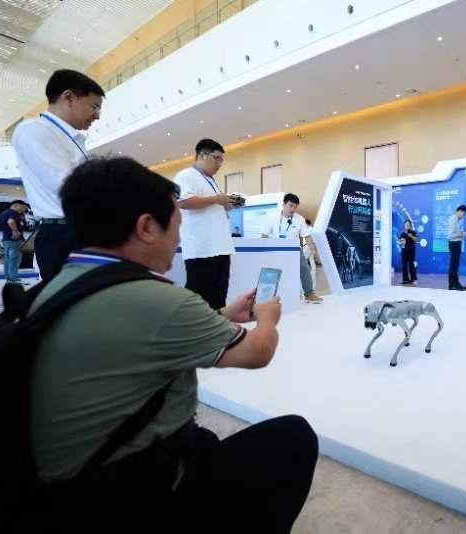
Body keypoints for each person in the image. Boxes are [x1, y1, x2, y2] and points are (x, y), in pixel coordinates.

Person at [30, 157, 318, 528]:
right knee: (293, 439)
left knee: (205, 437)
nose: (179, 239)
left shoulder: (57, 286)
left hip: (57, 483)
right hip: (118, 491)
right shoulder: (156, 299)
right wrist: (267, 318)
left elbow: (144, 337)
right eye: (178, 225)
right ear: (147, 227)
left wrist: (222, 314)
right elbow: (257, 351)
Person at [11, 69, 104, 281]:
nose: (97, 115)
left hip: (80, 231)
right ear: (68, 98)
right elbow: (66, 185)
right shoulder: (34, 129)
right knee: (72, 299)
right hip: (64, 235)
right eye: (94, 106)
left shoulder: (68, 137)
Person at [175, 139, 235, 309]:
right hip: (201, 250)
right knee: (199, 300)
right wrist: (216, 199)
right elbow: (183, 201)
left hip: (221, 247)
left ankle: (218, 325)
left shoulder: (212, 180)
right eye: (217, 158)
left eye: (222, 160)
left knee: (219, 297)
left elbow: (213, 205)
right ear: (203, 155)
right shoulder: (186, 175)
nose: (220, 164)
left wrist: (227, 204)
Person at [261, 193, 323, 303]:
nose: (293, 209)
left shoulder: (299, 219)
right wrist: (263, 250)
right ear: (284, 204)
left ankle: (309, 293)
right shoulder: (272, 217)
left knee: (304, 268)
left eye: (295, 207)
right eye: (290, 206)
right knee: (274, 271)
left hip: (294, 249)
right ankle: (269, 295)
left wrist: (313, 249)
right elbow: (264, 235)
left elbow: (306, 235)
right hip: (276, 249)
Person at [0, 200, 29, 283]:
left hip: (7, 239)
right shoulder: (13, 213)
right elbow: (11, 221)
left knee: (8, 259)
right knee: (14, 259)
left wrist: (22, 217)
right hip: (14, 239)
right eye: (23, 208)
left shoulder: (4, 213)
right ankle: (14, 278)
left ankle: (9, 278)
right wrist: (15, 231)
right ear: (17, 205)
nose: (24, 210)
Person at [447, 205, 466, 291]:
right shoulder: (453, 220)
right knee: (454, 265)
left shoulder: (455, 220)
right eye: (463, 214)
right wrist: (463, 234)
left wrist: (462, 234)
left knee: (455, 265)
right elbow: (451, 235)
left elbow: (455, 233)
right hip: (454, 244)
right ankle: (453, 284)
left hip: (456, 244)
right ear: (460, 211)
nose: (463, 216)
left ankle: (454, 284)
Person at [399, 219, 418, 285]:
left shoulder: (413, 232)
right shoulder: (402, 233)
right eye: (406, 225)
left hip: (411, 251)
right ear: (404, 225)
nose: (407, 226)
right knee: (404, 266)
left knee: (411, 265)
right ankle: (405, 279)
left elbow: (416, 240)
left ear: (410, 225)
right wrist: (400, 243)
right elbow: (401, 244)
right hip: (404, 251)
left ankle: (414, 279)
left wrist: (411, 236)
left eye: (408, 225)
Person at [302, 218, 317, 292]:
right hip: (310, 247)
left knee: (303, 262)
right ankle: (313, 286)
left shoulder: (308, 229)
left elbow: (309, 240)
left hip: (308, 247)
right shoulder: (312, 229)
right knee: (312, 264)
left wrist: (312, 248)